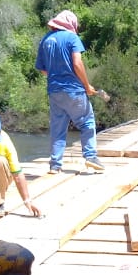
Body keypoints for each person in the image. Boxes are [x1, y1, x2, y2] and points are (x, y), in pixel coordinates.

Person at [34, 9, 104, 174]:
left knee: (58, 128)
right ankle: (91, 157)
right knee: (87, 122)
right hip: (73, 89)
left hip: (54, 91)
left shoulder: (45, 40)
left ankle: (55, 165)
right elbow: (77, 64)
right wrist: (87, 86)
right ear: (71, 24)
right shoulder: (72, 38)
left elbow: (43, 70)